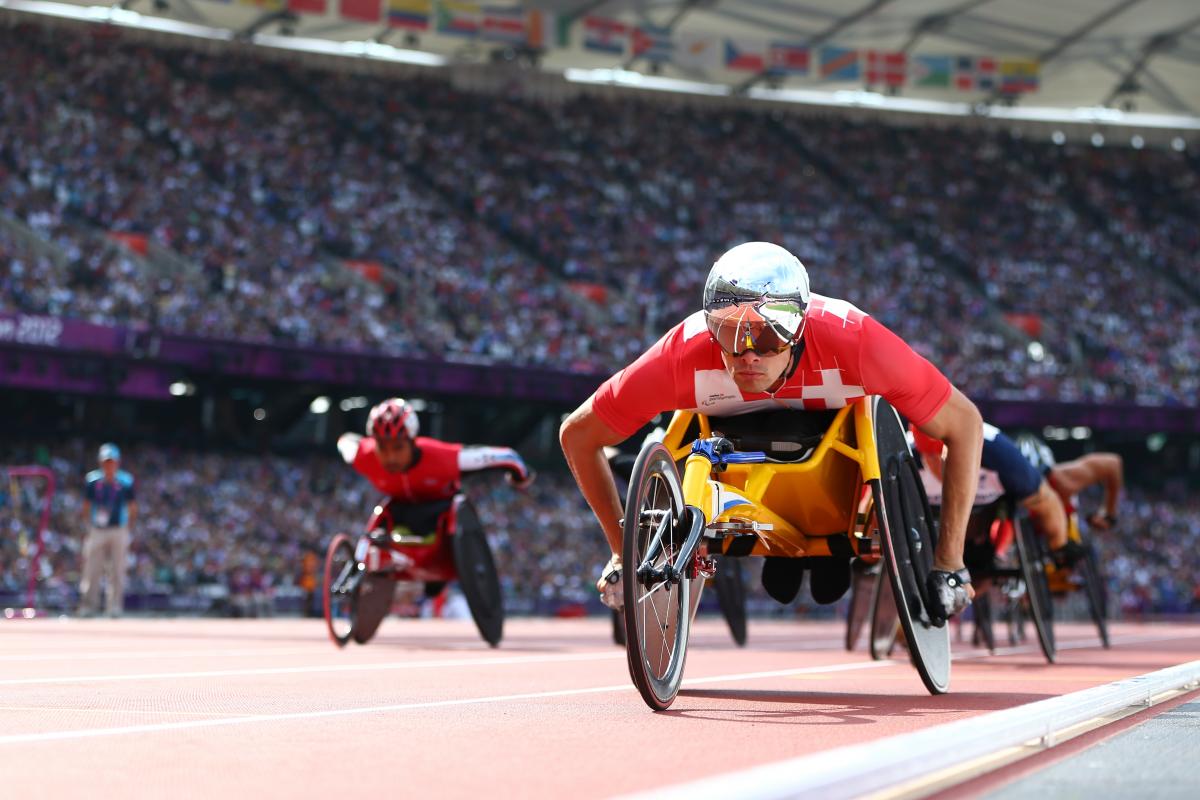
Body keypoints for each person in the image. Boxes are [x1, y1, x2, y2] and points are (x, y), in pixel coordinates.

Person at [560, 242, 983, 624]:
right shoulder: (681, 355)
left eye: (767, 335)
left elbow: (964, 424)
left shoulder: (855, 340)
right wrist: (622, 549)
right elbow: (577, 436)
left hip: (837, 471)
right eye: (729, 332)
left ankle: (820, 537)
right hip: (737, 457)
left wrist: (950, 562)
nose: (747, 355)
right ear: (710, 327)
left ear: (799, 326)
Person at [337, 398, 534, 603]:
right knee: (383, 515)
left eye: (397, 447)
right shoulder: (363, 455)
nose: (390, 457)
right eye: (383, 448)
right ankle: (361, 565)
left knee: (444, 515)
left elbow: (508, 457)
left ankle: (439, 569)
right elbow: (345, 441)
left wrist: (521, 475)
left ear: (413, 442)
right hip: (400, 512)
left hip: (440, 513)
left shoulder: (443, 458)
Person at [912, 423, 1085, 567]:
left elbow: (1045, 500)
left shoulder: (1000, 456)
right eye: (932, 458)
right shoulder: (905, 456)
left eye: (946, 456)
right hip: (936, 517)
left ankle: (992, 553)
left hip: (991, 513)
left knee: (982, 562)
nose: (941, 465)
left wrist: (1059, 544)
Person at [79, 443, 137, 617]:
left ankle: (114, 607)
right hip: (98, 529)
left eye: (112, 462)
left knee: (118, 569)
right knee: (92, 568)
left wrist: (128, 527)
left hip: (118, 529)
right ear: (100, 462)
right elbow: (87, 505)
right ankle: (89, 606)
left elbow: (132, 506)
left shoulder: (126, 481)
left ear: (117, 462)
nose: (109, 466)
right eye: (106, 462)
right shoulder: (92, 481)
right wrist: (89, 525)